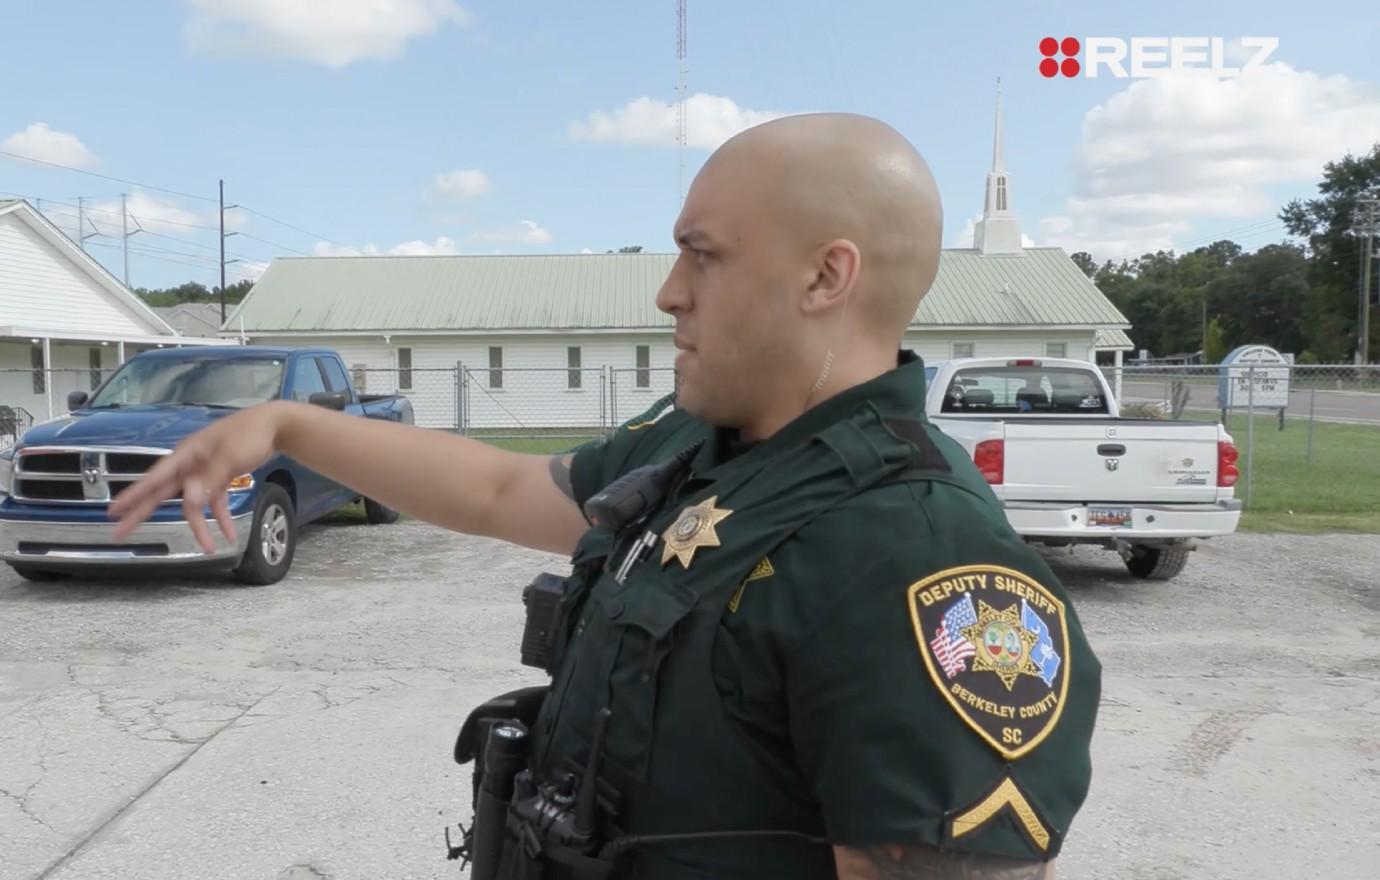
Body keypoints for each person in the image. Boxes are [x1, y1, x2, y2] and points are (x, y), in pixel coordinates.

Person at [110, 113, 1100, 880]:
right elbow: (502, 489)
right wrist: (288, 425)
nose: (669, 292)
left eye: (702, 255)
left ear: (824, 276)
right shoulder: (705, 444)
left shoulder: (918, 558)